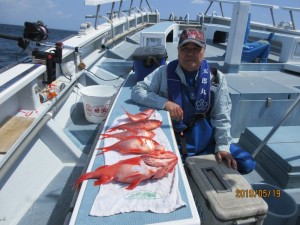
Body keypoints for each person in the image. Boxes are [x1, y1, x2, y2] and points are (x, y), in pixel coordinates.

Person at [131, 28, 255, 174]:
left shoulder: (216, 78)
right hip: (176, 140)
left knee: (246, 163)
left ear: (204, 50)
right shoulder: (163, 72)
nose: (189, 53)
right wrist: (165, 103)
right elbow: (137, 91)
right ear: (178, 50)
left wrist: (222, 147)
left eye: (196, 49)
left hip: (207, 139)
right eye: (184, 48)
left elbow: (222, 116)